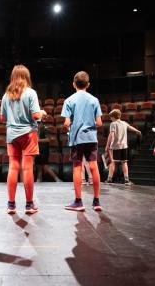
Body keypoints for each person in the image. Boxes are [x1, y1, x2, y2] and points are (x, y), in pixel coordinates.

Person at [0, 64, 46, 214]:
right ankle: (29, 205)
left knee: (13, 167)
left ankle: (11, 205)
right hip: (28, 134)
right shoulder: (31, 93)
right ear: (26, 76)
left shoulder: (6, 95)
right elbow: (35, 116)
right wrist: (42, 112)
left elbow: (2, 118)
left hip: (12, 135)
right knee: (27, 169)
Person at [61, 71, 103, 211]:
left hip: (76, 138)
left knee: (77, 168)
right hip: (91, 138)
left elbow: (66, 123)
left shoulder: (69, 100)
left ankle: (78, 202)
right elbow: (99, 122)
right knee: (93, 167)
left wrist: (72, 125)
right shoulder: (94, 100)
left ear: (74, 84)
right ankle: (96, 201)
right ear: (88, 84)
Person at [104, 109, 141, 186]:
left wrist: (108, 145)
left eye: (111, 117)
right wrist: (137, 131)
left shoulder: (113, 124)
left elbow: (111, 135)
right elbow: (130, 127)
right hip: (124, 146)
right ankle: (126, 180)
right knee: (124, 162)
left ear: (113, 117)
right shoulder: (124, 123)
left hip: (115, 146)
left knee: (113, 162)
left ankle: (109, 179)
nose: (110, 119)